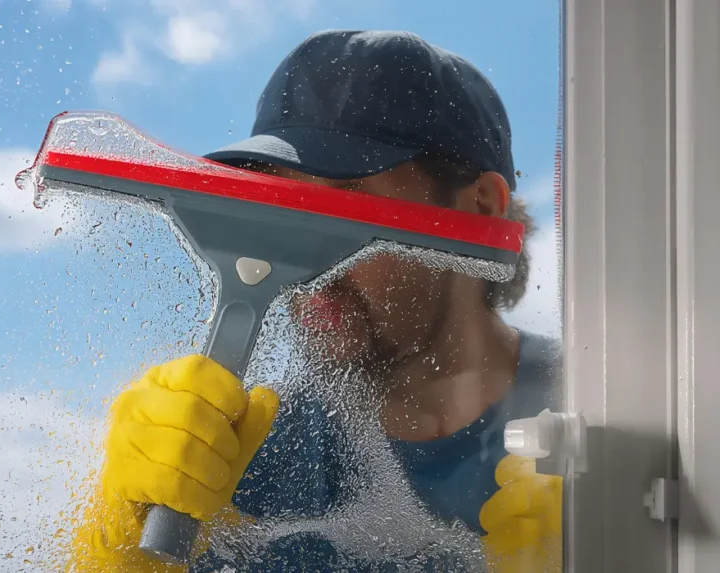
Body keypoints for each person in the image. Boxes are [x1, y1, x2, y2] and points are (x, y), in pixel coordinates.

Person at [67, 30, 562, 572]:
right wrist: (118, 543)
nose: (303, 263)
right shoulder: (236, 464)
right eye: (283, 209)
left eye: (344, 213)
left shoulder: (608, 417)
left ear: (481, 209)